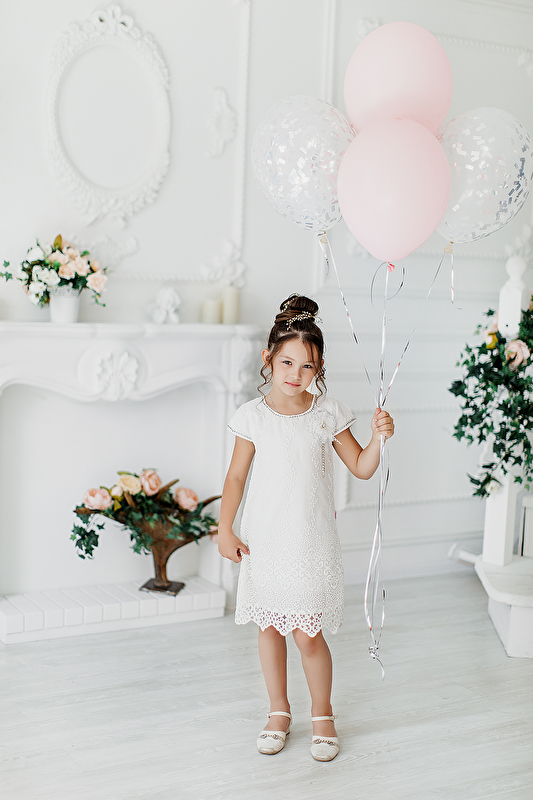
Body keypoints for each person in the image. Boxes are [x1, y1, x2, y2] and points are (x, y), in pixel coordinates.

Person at [217, 294, 394, 762]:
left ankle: (322, 715)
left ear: (319, 369)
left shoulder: (327, 413)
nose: (296, 374)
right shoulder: (252, 417)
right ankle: (278, 711)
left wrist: (378, 438)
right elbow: (235, 478)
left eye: (308, 366)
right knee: (270, 627)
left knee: (307, 633)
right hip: (265, 541)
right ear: (268, 359)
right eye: (287, 362)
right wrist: (225, 528)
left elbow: (361, 468)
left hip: (310, 542)